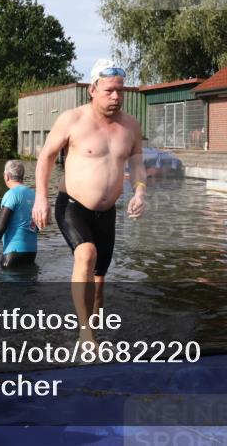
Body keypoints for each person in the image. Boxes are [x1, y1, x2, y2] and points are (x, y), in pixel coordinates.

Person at [32, 59, 147, 343]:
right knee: (86, 254)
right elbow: (46, 157)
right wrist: (40, 198)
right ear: (92, 90)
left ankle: (92, 332)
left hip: (107, 212)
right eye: (109, 91)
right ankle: (85, 334)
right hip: (72, 205)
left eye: (120, 90)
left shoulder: (131, 126)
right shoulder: (72, 119)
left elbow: (137, 164)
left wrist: (140, 191)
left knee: (99, 282)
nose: (116, 96)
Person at [0, 160, 38, 274]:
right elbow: (36, 225)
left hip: (13, 253)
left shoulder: (11, 194)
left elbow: (1, 226)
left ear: (7, 176)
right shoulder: (33, 194)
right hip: (31, 252)